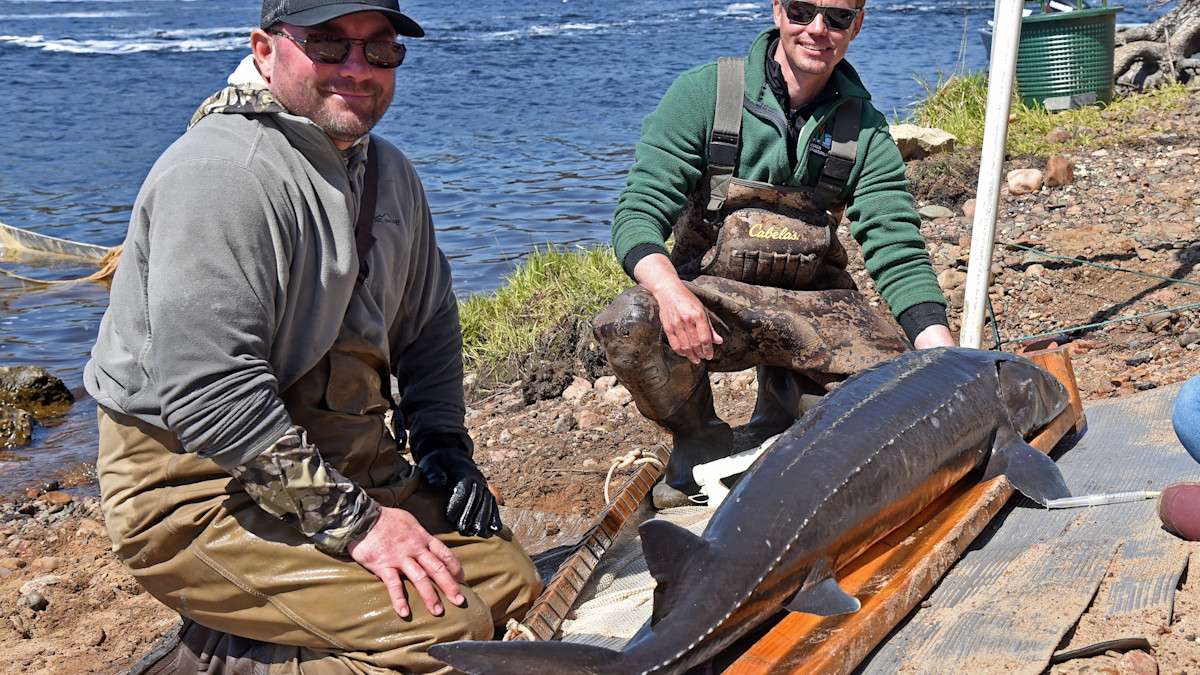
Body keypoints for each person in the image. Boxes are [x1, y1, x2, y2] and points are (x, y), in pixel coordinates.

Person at [84, 1, 542, 672]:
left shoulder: (389, 174)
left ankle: (261, 630)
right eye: (328, 46)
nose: (357, 68)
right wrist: (359, 525)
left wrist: (444, 445)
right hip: (197, 489)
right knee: (449, 636)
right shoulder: (224, 176)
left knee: (510, 582)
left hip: (344, 458)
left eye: (380, 49)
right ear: (265, 51)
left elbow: (431, 324)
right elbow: (212, 395)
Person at [593, 0, 956, 508]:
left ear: (858, 23)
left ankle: (788, 399)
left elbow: (895, 243)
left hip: (818, 307)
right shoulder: (704, 95)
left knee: (885, 420)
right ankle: (698, 439)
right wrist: (670, 291)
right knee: (631, 320)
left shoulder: (864, 127)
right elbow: (637, 214)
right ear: (778, 10)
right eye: (805, 10)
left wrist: (941, 353)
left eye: (836, 18)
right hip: (711, 300)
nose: (817, 30)